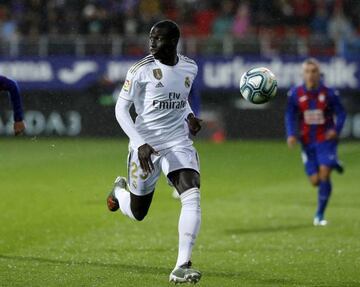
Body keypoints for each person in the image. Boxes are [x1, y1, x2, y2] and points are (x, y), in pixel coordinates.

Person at [107, 20, 202, 284]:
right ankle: (118, 191)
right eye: (150, 38)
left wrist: (190, 116)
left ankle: (182, 264)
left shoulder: (189, 67)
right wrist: (139, 144)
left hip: (177, 142)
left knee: (191, 193)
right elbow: (120, 110)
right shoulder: (140, 70)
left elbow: (180, 101)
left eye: (157, 39)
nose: (151, 43)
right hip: (145, 146)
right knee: (138, 212)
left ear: (172, 42)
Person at [285, 58, 346, 226]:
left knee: (324, 173)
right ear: (302, 74)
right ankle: (335, 163)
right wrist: (291, 134)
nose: (310, 75)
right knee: (315, 181)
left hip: (325, 140)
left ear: (319, 74)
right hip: (307, 142)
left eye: (314, 71)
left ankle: (319, 215)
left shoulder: (329, 93)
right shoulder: (295, 94)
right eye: (307, 71)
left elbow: (341, 113)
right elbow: (290, 115)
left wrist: (336, 130)